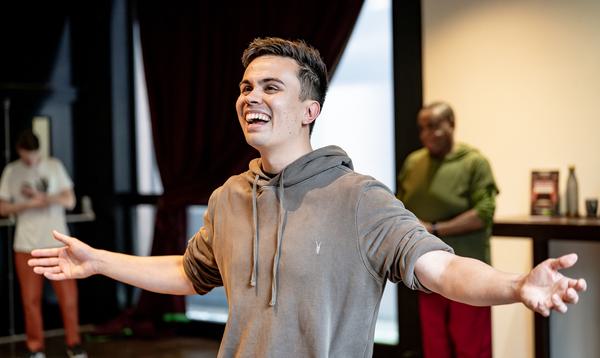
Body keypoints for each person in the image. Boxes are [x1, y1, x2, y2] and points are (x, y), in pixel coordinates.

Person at [27, 37, 586, 358]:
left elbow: (438, 267)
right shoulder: (227, 197)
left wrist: (515, 285)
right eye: (246, 87)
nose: (252, 97)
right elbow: (190, 272)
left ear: (309, 110)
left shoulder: (359, 197)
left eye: (271, 86)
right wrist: (98, 261)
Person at [397, 102, 498, 358]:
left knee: (471, 348)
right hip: (428, 272)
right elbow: (398, 206)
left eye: (433, 127)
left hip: (469, 272)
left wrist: (434, 229)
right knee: (435, 348)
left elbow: (484, 213)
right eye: (422, 128)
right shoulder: (414, 163)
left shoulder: (474, 163)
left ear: (451, 123)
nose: (426, 135)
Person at [0, 129, 87, 358]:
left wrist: (45, 199)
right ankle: (35, 348)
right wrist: (28, 204)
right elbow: (2, 208)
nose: (31, 160)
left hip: (58, 244)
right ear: (19, 151)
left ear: (40, 151)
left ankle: (74, 344)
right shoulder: (12, 171)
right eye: (26, 155)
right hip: (25, 245)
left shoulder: (54, 166)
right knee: (30, 300)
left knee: (68, 299)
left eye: (34, 155)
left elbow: (70, 200)